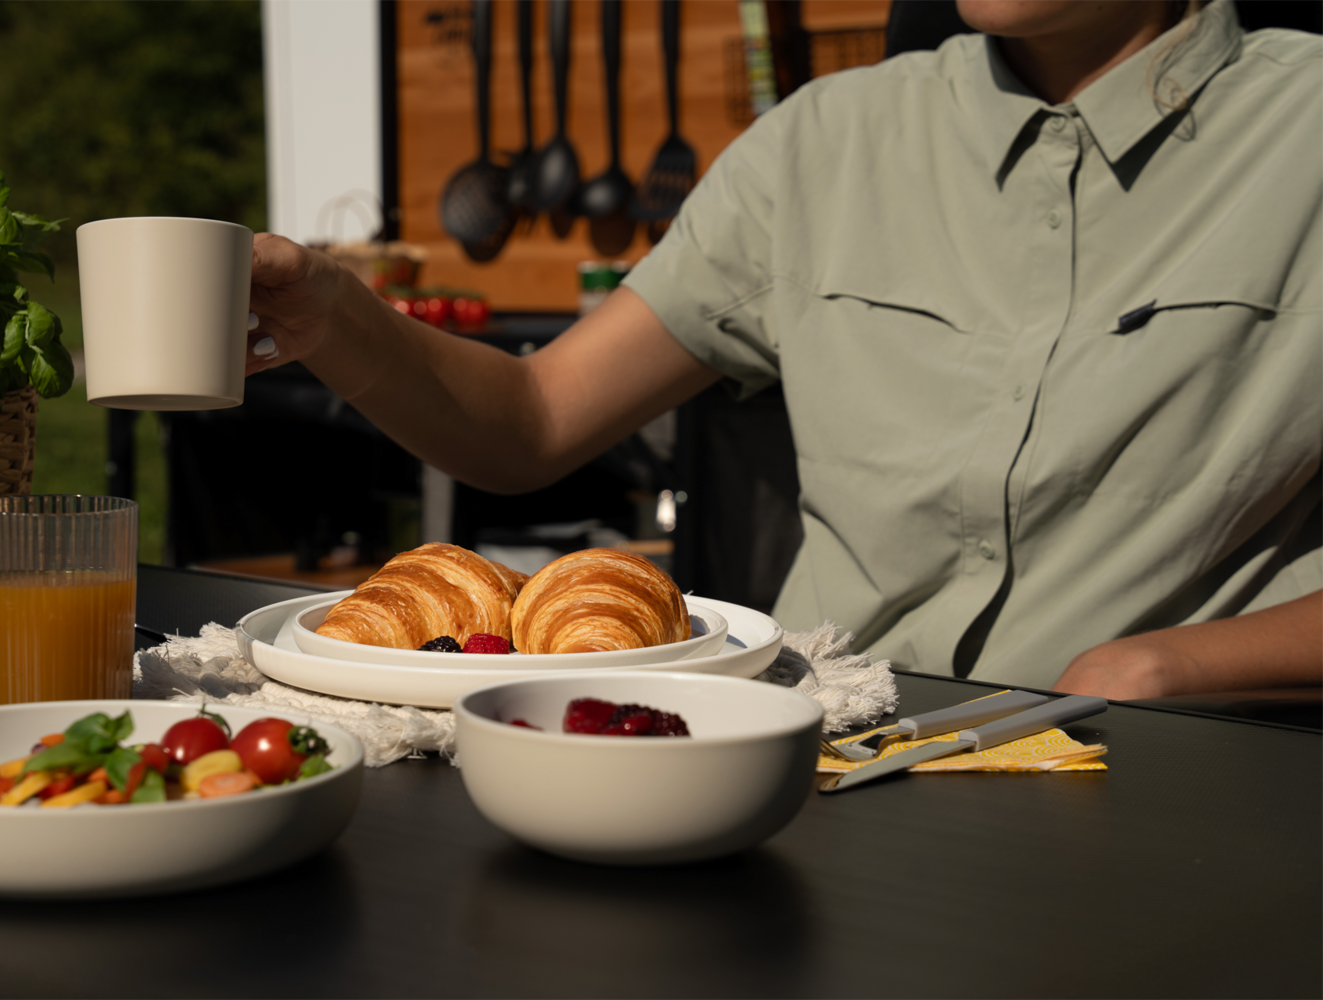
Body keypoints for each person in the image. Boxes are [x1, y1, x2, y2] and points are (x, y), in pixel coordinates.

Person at [242, 0, 1321, 700]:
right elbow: (530, 426)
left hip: (1178, 795)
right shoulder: (821, 141)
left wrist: (1173, 665)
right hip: (823, 773)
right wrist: (334, 312)